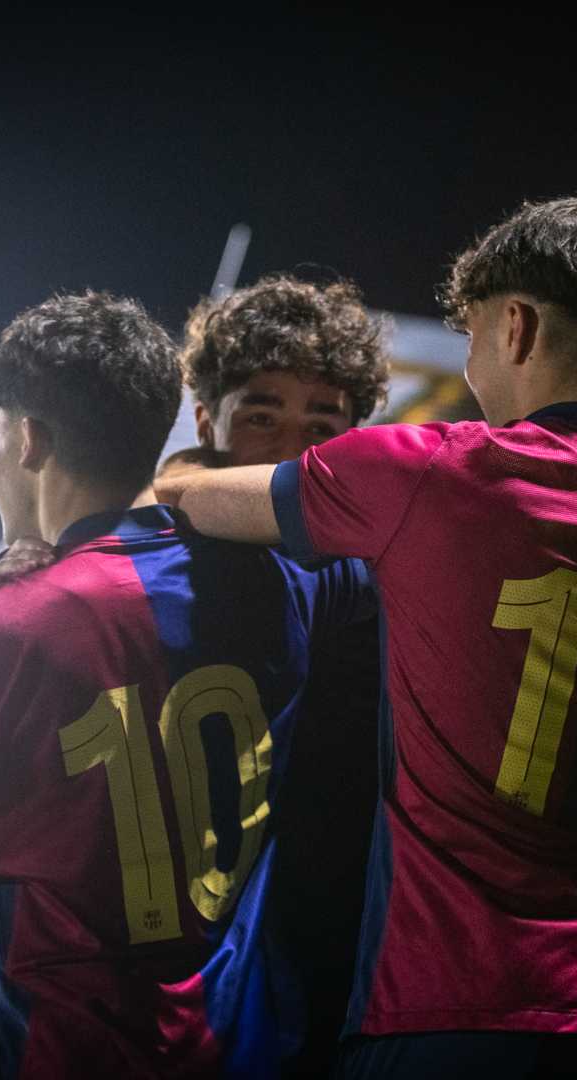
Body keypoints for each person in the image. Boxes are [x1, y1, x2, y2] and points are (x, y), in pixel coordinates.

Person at [159, 195, 577, 1077]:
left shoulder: (433, 474)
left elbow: (194, 497)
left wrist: (181, 471)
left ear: (516, 327)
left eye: (474, 332)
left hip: (451, 1007)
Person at [0, 290, 372, 1078]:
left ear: (27, 439)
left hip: (56, 1050)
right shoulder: (301, 589)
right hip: (240, 1045)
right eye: (264, 416)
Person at [180, 276, 390, 1078]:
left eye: (322, 426)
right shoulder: (140, 570)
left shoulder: (376, 578)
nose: (288, 451)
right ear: (207, 422)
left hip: (328, 974)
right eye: (262, 417)